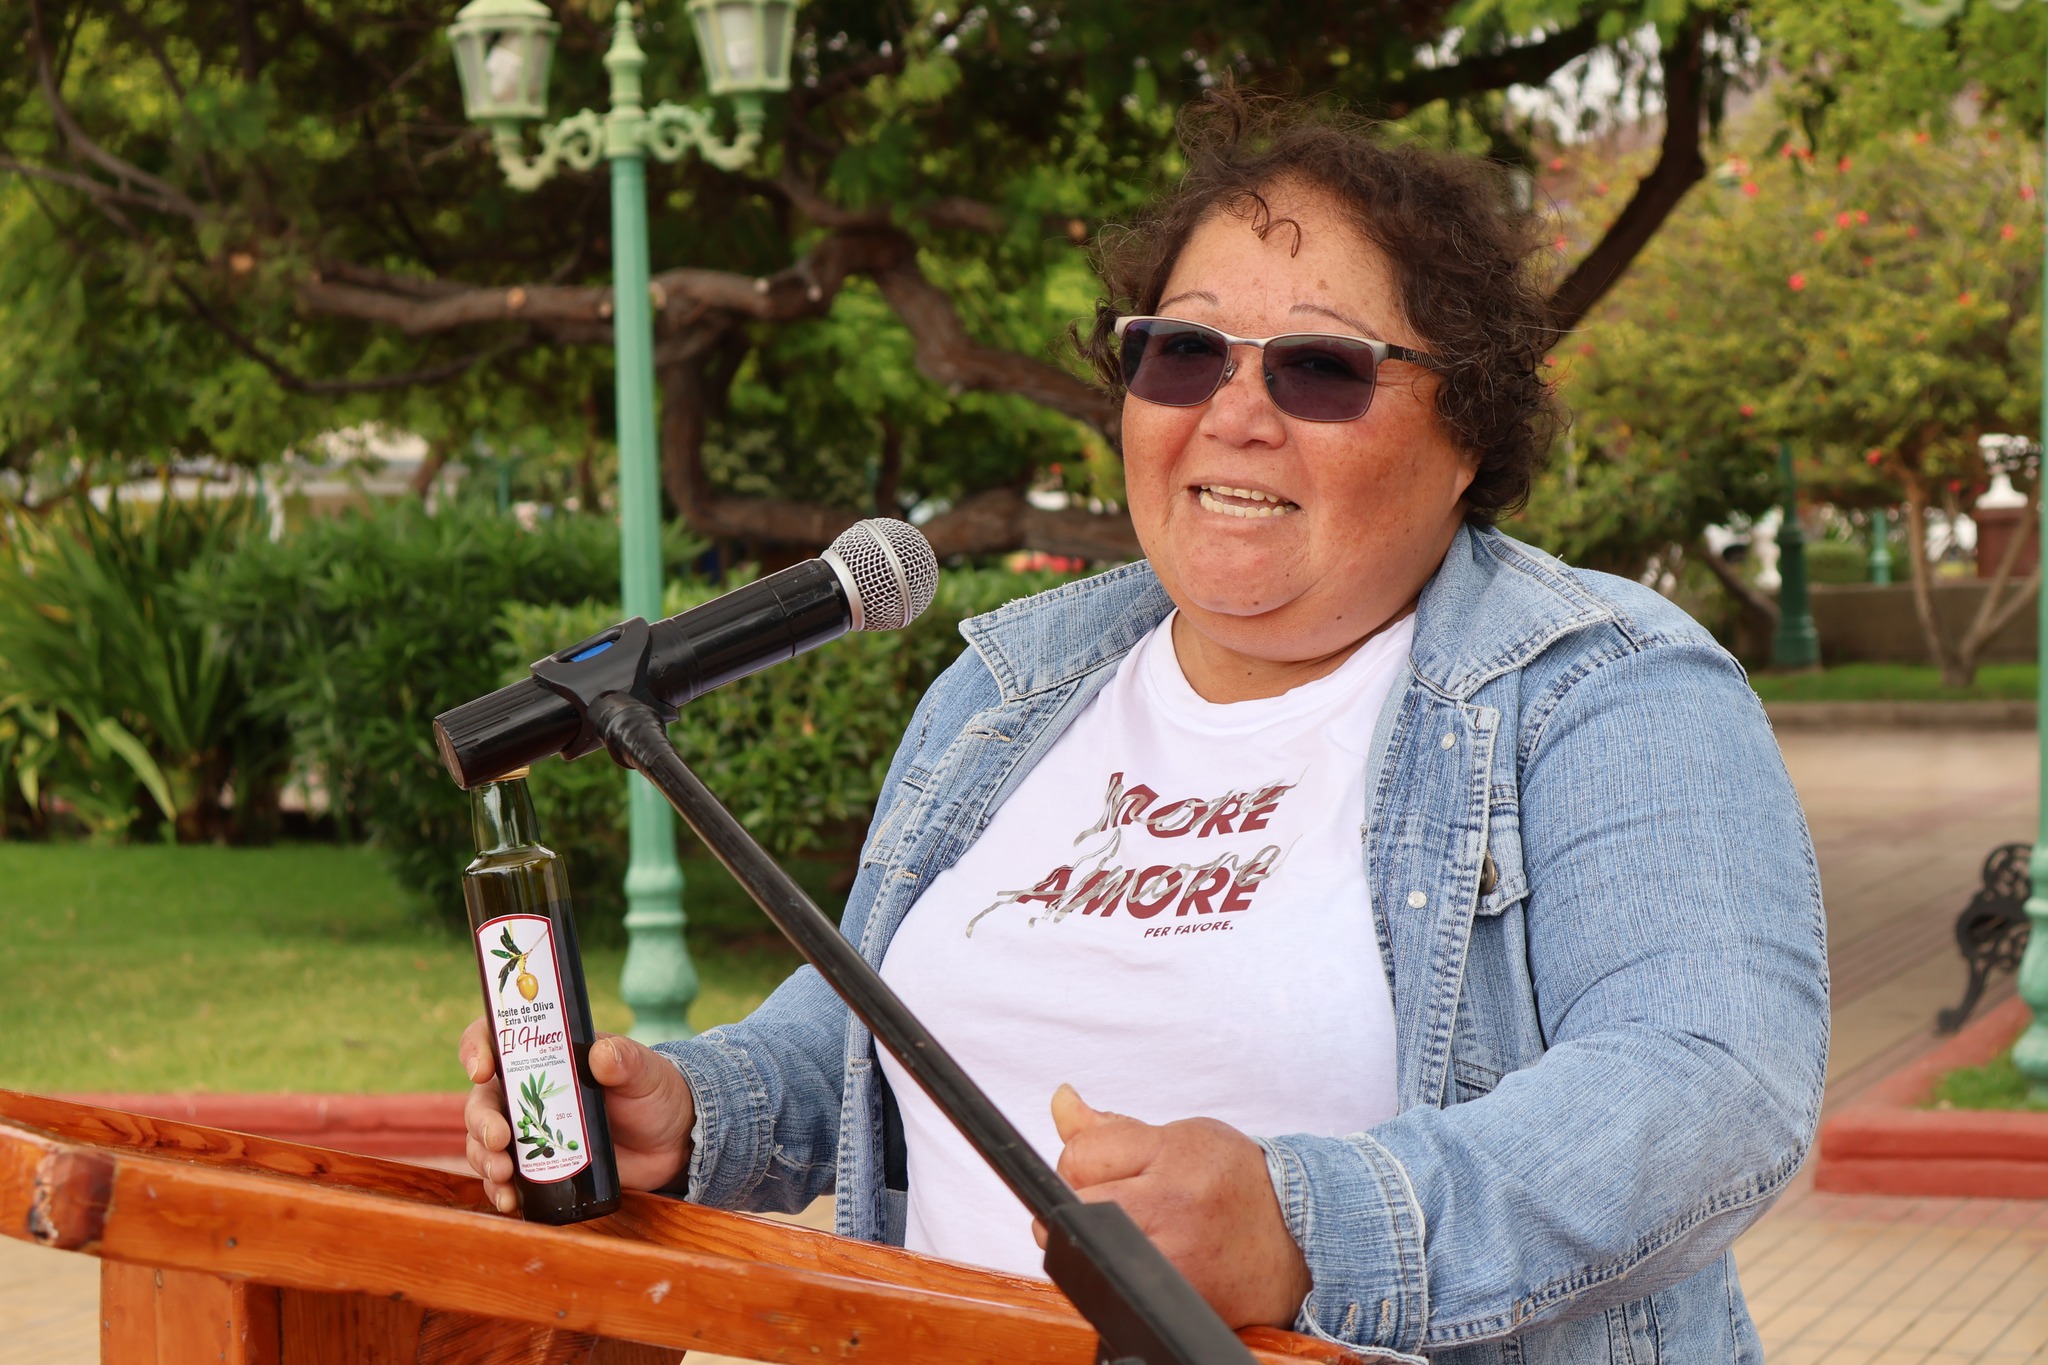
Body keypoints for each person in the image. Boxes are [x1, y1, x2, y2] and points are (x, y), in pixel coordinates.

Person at [460, 93, 1827, 1360]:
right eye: (1183, 353)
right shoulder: (1009, 687)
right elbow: (877, 1025)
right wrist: (692, 1107)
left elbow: (1707, 1087)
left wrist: (1302, 1227)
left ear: (1467, 427)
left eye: (1320, 368)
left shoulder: (1602, 688)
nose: (1234, 414)